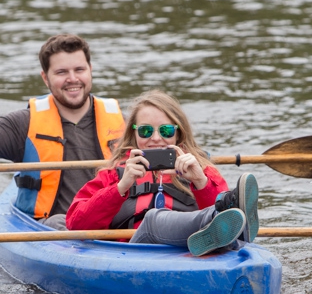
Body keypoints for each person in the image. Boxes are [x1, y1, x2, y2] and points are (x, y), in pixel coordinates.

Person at [0, 34, 125, 230]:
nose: (73, 79)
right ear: (45, 78)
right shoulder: (22, 124)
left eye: (79, 69)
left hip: (112, 226)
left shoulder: (124, 122)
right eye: (62, 72)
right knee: (59, 222)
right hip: (53, 230)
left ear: (91, 70)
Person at [66, 90, 260, 257]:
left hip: (187, 252)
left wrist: (201, 182)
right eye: (145, 131)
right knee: (152, 220)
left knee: (223, 214)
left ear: (178, 133)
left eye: (166, 131)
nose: (156, 138)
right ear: (134, 133)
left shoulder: (201, 170)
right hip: (133, 254)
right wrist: (120, 187)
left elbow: (214, 196)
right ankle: (219, 218)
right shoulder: (113, 175)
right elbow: (75, 225)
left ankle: (223, 222)